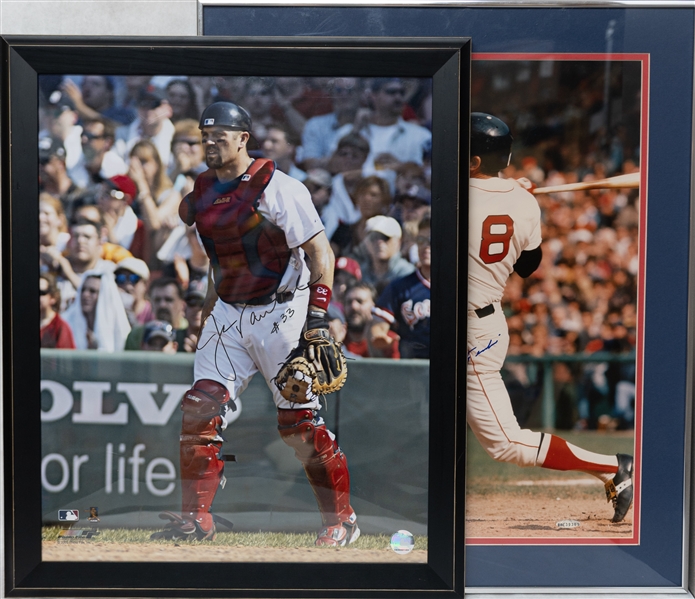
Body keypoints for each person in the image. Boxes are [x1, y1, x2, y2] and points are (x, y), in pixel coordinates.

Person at [151, 101, 359, 547]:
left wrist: (318, 317)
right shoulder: (203, 190)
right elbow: (219, 260)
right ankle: (196, 520)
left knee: (299, 425)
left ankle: (341, 522)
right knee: (199, 410)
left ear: (243, 139)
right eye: (205, 135)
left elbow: (321, 253)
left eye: (219, 135)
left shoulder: (281, 188)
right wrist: (206, 312)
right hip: (229, 311)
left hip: (281, 310)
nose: (209, 142)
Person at [466, 112, 633, 523]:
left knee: (505, 443)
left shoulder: (455, 194)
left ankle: (614, 466)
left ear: (473, 162)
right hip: (484, 320)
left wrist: (500, 192)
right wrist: (512, 194)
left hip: (471, 332)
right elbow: (527, 266)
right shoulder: (522, 200)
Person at [371, 216, 431, 359]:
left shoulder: (459, 285)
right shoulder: (400, 286)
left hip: (451, 367)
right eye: (421, 241)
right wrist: (380, 337)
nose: (425, 246)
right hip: (411, 368)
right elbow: (377, 327)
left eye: (431, 240)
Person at [62, 266, 131, 351]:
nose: (85, 295)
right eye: (83, 290)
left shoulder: (122, 324)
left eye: (92, 291)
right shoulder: (66, 321)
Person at [351, 215, 415, 295]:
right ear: (366, 242)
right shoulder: (360, 273)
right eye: (374, 237)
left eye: (385, 237)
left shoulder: (407, 273)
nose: (379, 242)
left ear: (398, 242)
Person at [40, 273, 76, 349]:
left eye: (41, 293)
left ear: (53, 297)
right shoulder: (24, 323)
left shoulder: (60, 327)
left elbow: (65, 359)